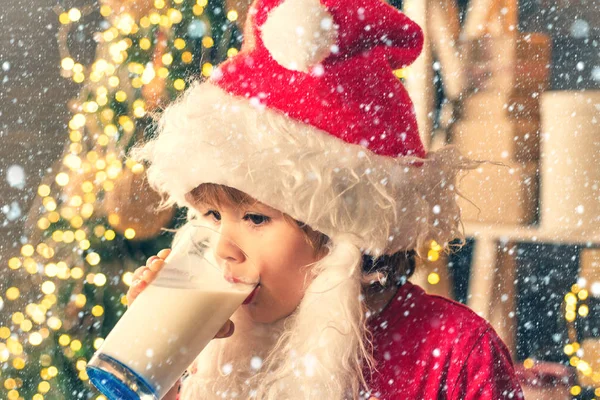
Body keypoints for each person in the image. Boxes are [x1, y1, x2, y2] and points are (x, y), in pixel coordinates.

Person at [129, 0, 525, 398]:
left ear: (341, 229)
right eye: (213, 215)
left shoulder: (454, 352)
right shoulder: (212, 348)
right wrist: (165, 371)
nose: (223, 250)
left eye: (255, 219)